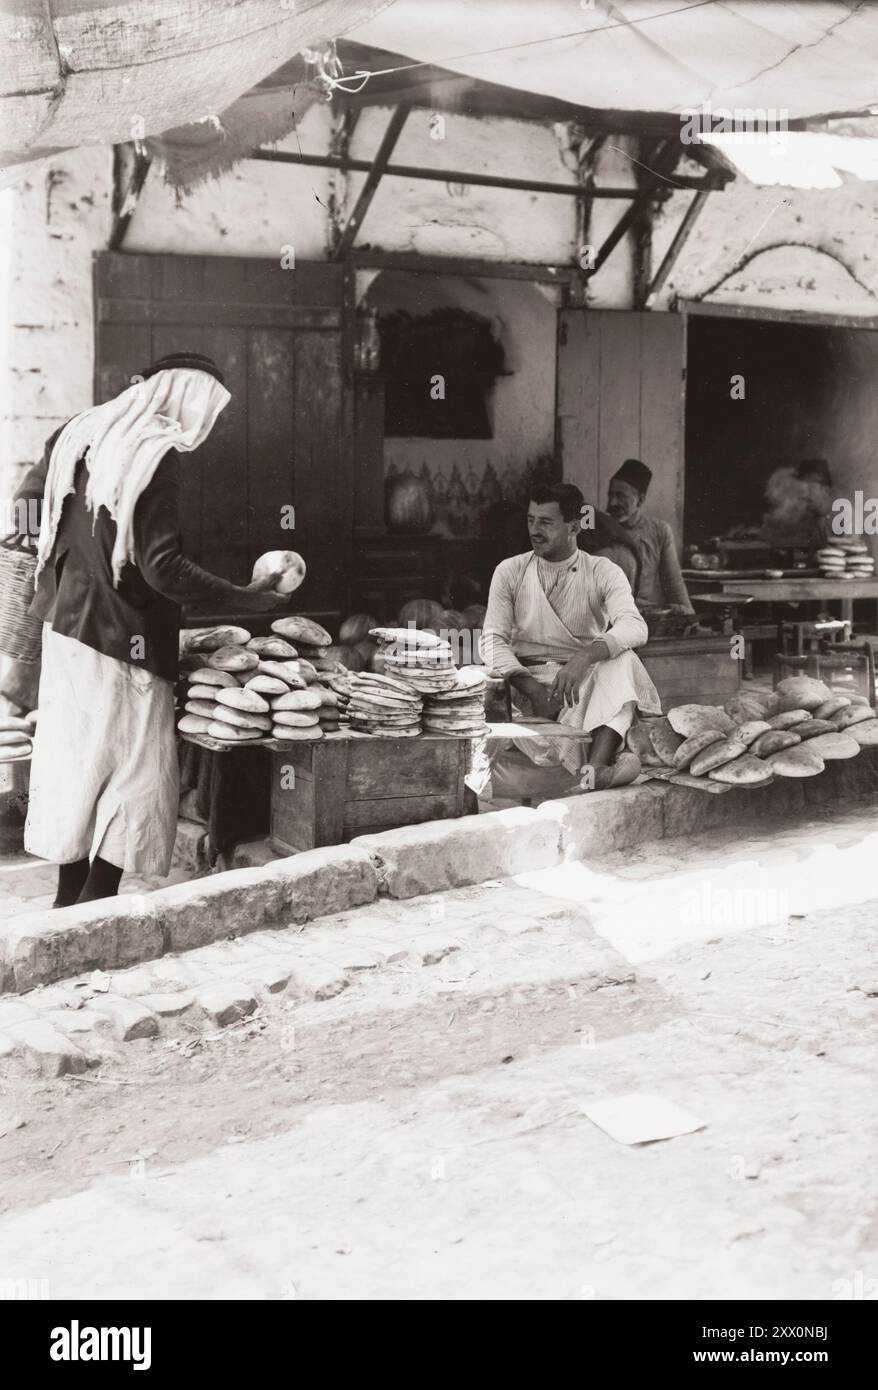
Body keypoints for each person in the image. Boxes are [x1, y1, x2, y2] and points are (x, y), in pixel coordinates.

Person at [24, 352, 285, 908]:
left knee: (79, 761)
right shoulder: (154, 454)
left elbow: (26, 503)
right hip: (126, 640)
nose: (199, 429)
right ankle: (97, 906)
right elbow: (162, 567)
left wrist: (62, 553)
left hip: (66, 625)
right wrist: (247, 596)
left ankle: (66, 903)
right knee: (134, 774)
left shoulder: (81, 432)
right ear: (184, 401)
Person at [477, 481, 660, 798]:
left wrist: (584, 657)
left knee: (624, 661)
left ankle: (596, 769)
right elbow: (491, 640)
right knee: (476, 679)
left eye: (546, 522)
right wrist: (532, 689)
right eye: (531, 520)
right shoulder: (510, 571)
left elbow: (634, 625)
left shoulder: (603, 570)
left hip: (581, 686)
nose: (535, 530)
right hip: (524, 685)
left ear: (574, 526)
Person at [606, 458, 693, 612]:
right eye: (610, 495)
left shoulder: (659, 531)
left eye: (620, 496)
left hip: (645, 616)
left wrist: (691, 620)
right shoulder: (600, 530)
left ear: (640, 500)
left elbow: (674, 585)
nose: (612, 503)